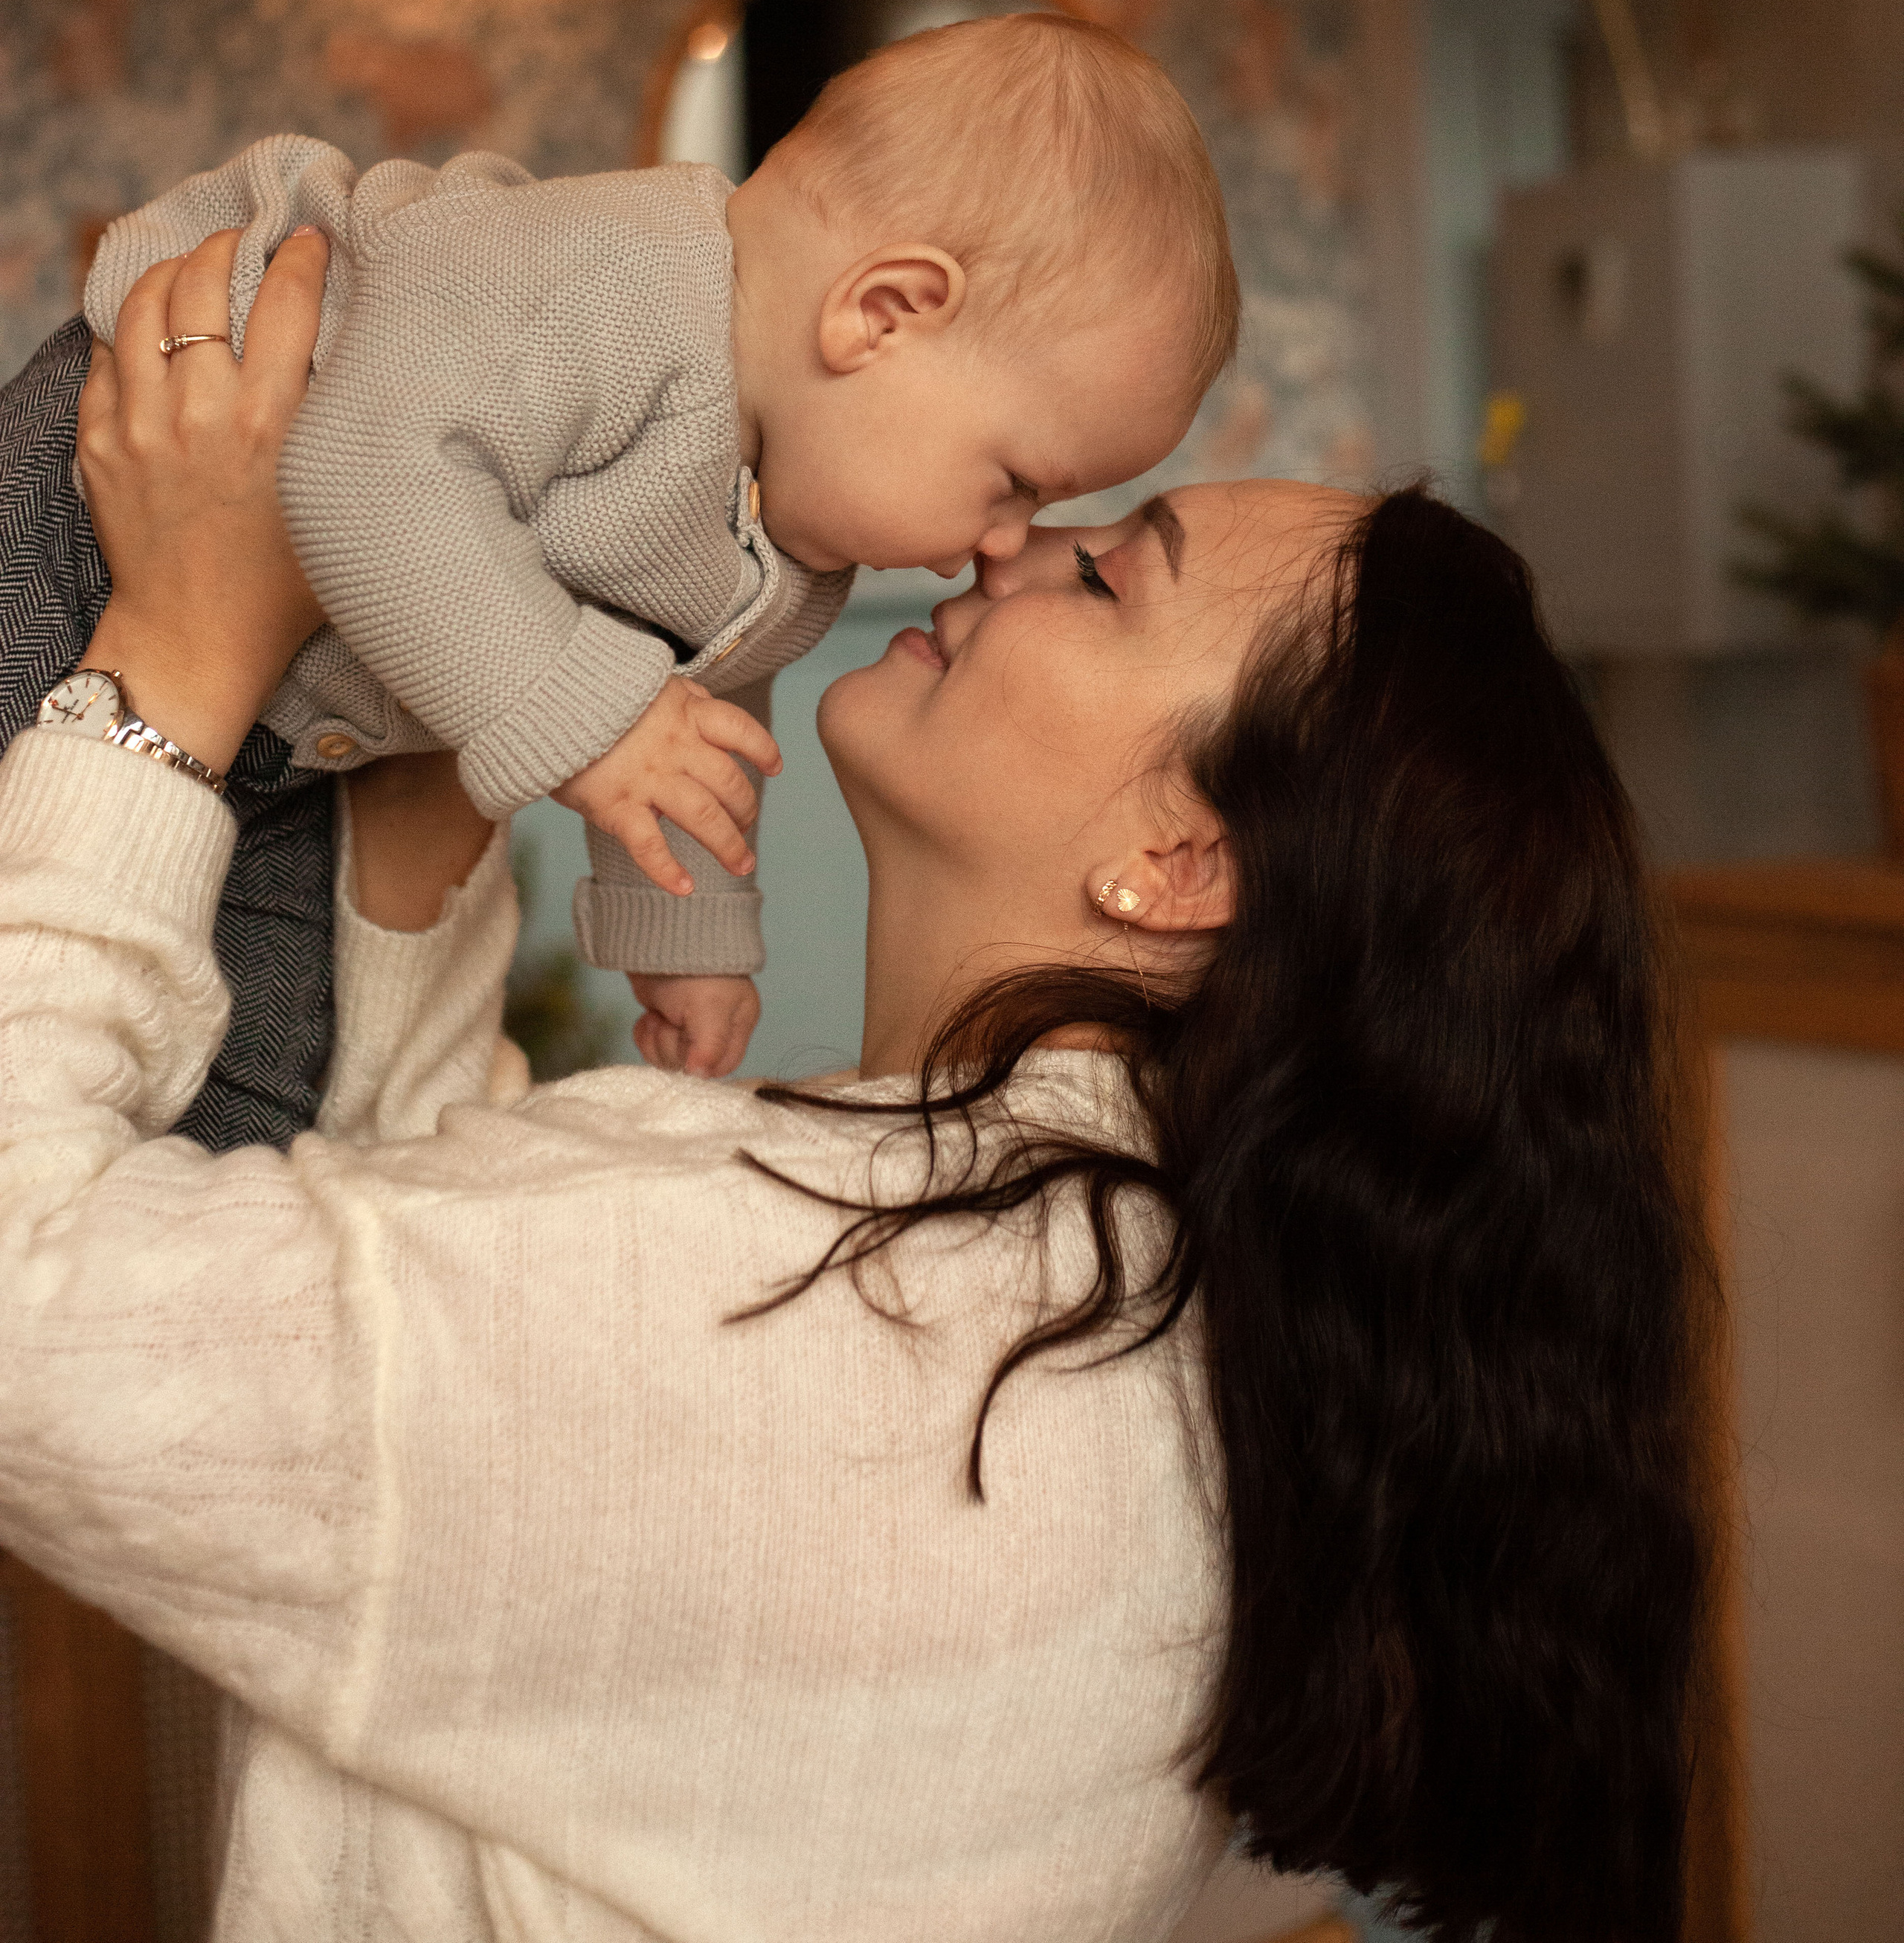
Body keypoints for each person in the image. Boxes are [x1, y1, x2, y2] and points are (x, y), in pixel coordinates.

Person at [0, 232, 1708, 1943]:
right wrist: (450, 737)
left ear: (1179, 858)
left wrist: (172, 665)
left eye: (1108, 578)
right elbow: (429, 1312)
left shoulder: (824, 1300)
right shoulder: (1158, 1324)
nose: (1007, 550)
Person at [6, 10, 1233, 1138]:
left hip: (280, 734)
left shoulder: (788, 550)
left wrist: (683, 930)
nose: (1007, 544)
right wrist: (595, 720)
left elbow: (688, 726)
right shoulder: (610, 284)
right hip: (86, 522)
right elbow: (366, 468)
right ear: (886, 313)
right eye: (1016, 478)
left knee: (261, 1089)